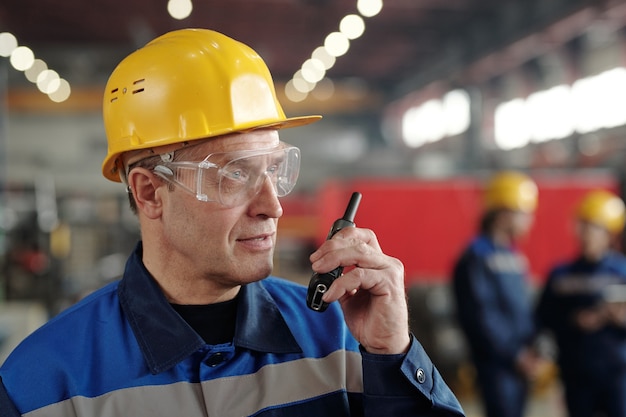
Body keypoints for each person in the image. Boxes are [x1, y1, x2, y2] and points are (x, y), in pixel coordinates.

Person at [0, 29, 465, 417]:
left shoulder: (339, 335)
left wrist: (393, 356)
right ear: (148, 191)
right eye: (235, 173)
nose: (273, 206)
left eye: (274, 170)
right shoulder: (43, 384)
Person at [451, 171, 540, 417]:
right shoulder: (476, 257)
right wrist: (516, 355)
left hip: (522, 361)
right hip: (497, 365)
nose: (529, 220)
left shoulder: (513, 255)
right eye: (524, 213)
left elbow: (521, 310)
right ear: (502, 214)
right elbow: (481, 315)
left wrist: (533, 350)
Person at [535, 189, 626, 417]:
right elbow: (543, 316)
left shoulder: (622, 271)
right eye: (583, 226)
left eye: (594, 228)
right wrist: (573, 320)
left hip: (617, 372)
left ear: (609, 234)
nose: (587, 234)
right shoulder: (561, 274)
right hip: (576, 372)